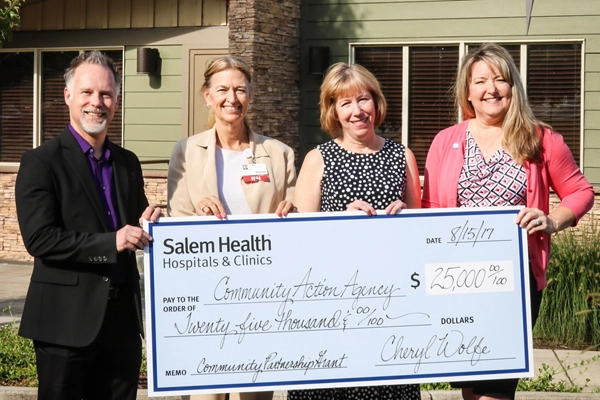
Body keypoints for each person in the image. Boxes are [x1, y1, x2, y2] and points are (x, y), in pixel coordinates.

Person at [422, 42, 594, 400]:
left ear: (512, 86)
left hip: (514, 280)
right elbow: (430, 208)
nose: (491, 89)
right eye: (481, 81)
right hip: (456, 279)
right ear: (467, 91)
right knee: (470, 388)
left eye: (500, 80)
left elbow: (580, 192)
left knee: (496, 388)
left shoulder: (540, 139)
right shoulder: (445, 142)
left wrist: (552, 220)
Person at [15, 51, 161, 400]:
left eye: (106, 94)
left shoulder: (127, 163)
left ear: (117, 100)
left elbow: (137, 220)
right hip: (64, 326)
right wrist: (111, 242)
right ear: (68, 96)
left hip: (122, 326)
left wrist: (154, 221)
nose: (97, 102)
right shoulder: (40, 162)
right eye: (87, 92)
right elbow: (41, 239)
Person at [289, 62, 422, 400]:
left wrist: (406, 216)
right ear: (333, 110)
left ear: (376, 103)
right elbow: (299, 242)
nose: (356, 111)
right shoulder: (318, 159)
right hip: (330, 307)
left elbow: (422, 233)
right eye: (345, 103)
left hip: (391, 307)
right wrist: (337, 221)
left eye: (363, 99)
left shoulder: (401, 155)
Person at [167, 55, 296, 400]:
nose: (232, 98)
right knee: (206, 394)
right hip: (206, 294)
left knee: (255, 392)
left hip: (262, 295)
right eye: (222, 89)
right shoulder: (186, 151)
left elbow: (301, 220)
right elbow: (175, 221)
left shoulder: (280, 154)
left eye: (240, 90)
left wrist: (294, 208)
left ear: (250, 96)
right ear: (207, 95)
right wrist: (196, 214)